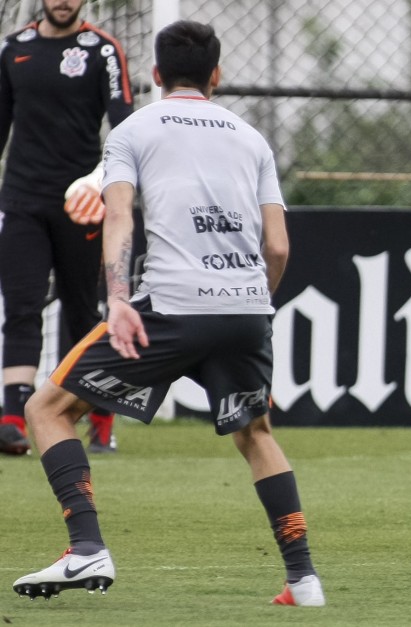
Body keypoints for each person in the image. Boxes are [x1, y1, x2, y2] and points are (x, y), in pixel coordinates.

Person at [11, 20, 325, 607]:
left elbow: (120, 217)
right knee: (257, 434)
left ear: (155, 75)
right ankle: (303, 580)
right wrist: (259, 308)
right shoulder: (252, 138)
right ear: (217, 75)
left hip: (171, 307)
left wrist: (120, 300)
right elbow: (277, 245)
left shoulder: (134, 129)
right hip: (246, 308)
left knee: (45, 407)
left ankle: (85, 548)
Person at [0, 0, 134, 456]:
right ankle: (13, 419)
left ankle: (99, 416)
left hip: (83, 204)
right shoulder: (13, 49)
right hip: (21, 200)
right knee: (21, 305)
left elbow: (124, 130)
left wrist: (101, 184)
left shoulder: (103, 50)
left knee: (82, 310)